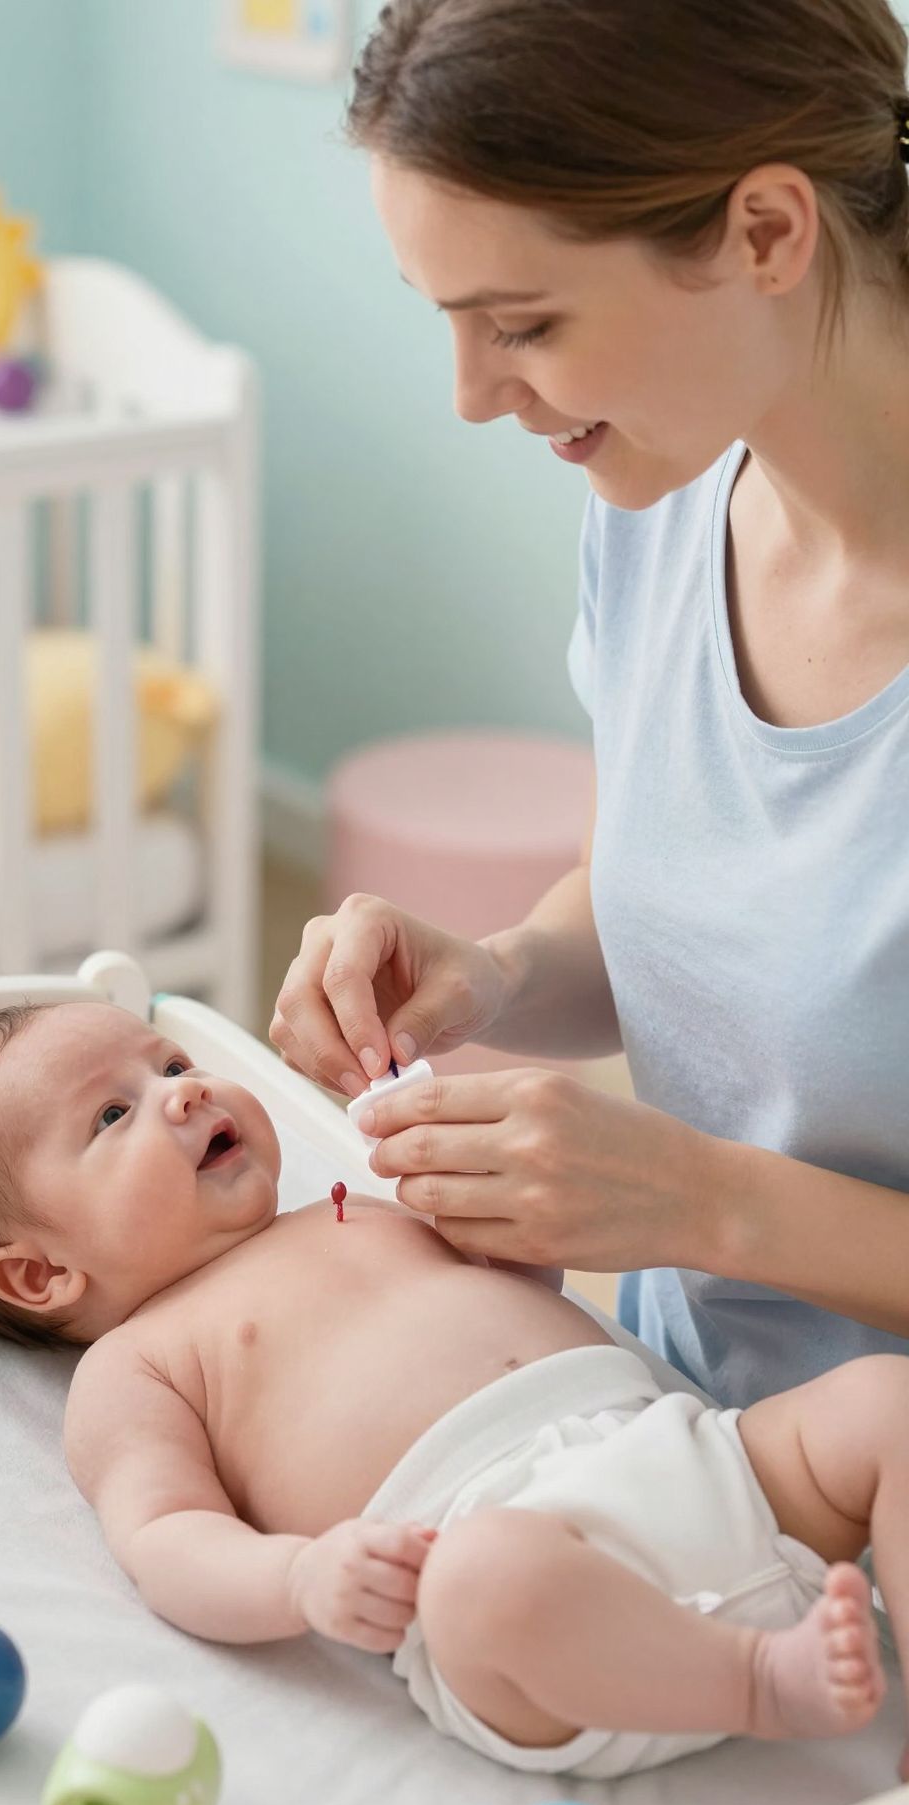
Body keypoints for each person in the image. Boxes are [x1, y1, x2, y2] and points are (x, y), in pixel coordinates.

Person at [271, 0, 909, 1411]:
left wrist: (707, 1203)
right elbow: (675, 922)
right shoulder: (658, 513)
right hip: (690, 1429)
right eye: (449, 320)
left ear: (766, 233)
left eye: (524, 324)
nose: (470, 395)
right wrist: (497, 973)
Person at [0, 999, 909, 1780]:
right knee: (486, 1580)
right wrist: (300, 1577)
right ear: (39, 1275)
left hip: (693, 1455)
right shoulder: (135, 1365)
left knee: (884, 1402)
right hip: (515, 1571)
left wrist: (501, 1229)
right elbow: (166, 1538)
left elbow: (526, 1299)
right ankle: (759, 1680)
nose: (183, 1092)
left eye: (172, 1063)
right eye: (112, 1112)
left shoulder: (351, 1210)